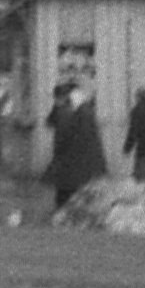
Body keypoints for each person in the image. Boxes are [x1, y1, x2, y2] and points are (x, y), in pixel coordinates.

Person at [43, 79, 107, 214]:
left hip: (71, 160)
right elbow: (51, 122)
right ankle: (69, 211)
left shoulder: (71, 112)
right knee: (70, 190)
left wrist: (60, 151)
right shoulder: (78, 110)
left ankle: (66, 213)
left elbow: (62, 134)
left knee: (67, 191)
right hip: (76, 161)